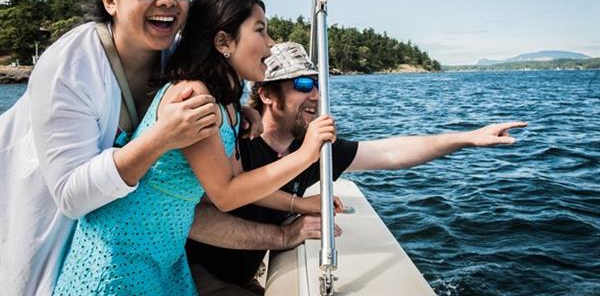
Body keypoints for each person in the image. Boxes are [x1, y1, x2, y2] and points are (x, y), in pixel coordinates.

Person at [52, 0, 337, 295]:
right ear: (223, 42)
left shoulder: (225, 102)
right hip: (122, 252)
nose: (270, 44)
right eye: (261, 31)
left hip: (162, 250)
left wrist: (297, 203)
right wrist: (306, 154)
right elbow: (225, 194)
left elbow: (238, 179)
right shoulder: (194, 97)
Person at [185, 41, 528, 295]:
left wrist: (466, 138)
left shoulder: (313, 148)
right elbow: (195, 216)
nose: (316, 94)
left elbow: (390, 152)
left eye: (317, 82)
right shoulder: (236, 142)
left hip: (241, 276)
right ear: (267, 95)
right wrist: (283, 234)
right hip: (193, 274)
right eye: (303, 84)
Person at [0, 0, 225, 296]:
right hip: (47, 225)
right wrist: (161, 138)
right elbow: (71, 195)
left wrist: (243, 111)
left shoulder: (174, 54)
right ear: (110, 0)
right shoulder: (71, 65)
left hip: (123, 248)